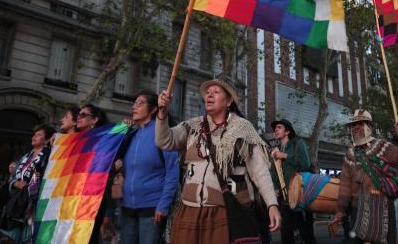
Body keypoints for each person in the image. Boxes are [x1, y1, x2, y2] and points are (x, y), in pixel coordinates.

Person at [156, 75, 281, 243]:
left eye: (216, 92)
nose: (209, 95)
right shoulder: (193, 125)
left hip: (222, 211)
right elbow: (165, 140)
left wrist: (272, 205)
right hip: (189, 209)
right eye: (208, 92)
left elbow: (259, 171)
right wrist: (162, 114)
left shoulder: (243, 129)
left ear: (229, 101)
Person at [332, 109, 398, 243]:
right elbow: (345, 186)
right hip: (357, 208)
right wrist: (340, 210)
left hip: (381, 206)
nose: (356, 127)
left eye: (361, 123)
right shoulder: (350, 154)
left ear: (369, 127)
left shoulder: (382, 146)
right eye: (354, 125)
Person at [117, 91, 180, 244]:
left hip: (152, 209)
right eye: (134, 103)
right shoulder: (131, 134)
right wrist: (120, 129)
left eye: (140, 103)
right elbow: (108, 153)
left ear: (153, 110)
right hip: (127, 209)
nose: (134, 107)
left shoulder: (163, 134)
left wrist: (163, 205)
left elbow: (172, 173)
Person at [1, 124, 55, 242]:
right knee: (13, 238)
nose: (34, 137)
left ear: (46, 139)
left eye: (38, 135)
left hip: (35, 206)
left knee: (29, 238)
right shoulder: (25, 157)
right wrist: (16, 183)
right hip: (19, 203)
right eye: (34, 135)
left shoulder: (49, 157)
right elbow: (13, 177)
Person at [270, 118, 315, 244]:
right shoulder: (275, 150)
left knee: (306, 233)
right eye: (275, 128)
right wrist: (274, 187)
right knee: (285, 235)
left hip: (301, 196)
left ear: (287, 131)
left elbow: (305, 165)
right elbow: (272, 172)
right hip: (285, 199)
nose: (276, 130)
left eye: (279, 127)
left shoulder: (298, 143)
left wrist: (285, 156)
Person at [75, 104, 110, 244]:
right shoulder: (75, 140)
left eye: (83, 115)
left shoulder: (103, 139)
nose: (79, 117)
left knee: (88, 235)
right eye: (78, 114)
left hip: (92, 196)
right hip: (74, 196)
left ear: (94, 120)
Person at [0, 161, 17, 244]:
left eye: (13, 167)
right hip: (2, 206)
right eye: (9, 167)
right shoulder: (7, 178)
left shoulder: (17, 180)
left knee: (9, 228)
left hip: (10, 206)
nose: (10, 168)